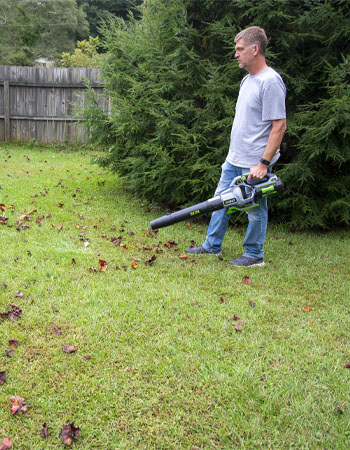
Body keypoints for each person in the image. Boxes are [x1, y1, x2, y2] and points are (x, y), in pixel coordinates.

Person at [186, 26, 287, 266]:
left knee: (254, 210)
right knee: (219, 202)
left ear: (255, 49)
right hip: (234, 159)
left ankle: (254, 255)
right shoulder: (247, 80)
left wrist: (263, 164)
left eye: (240, 49)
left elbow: (279, 126)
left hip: (254, 163)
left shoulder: (270, 82)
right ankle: (212, 246)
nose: (236, 54)